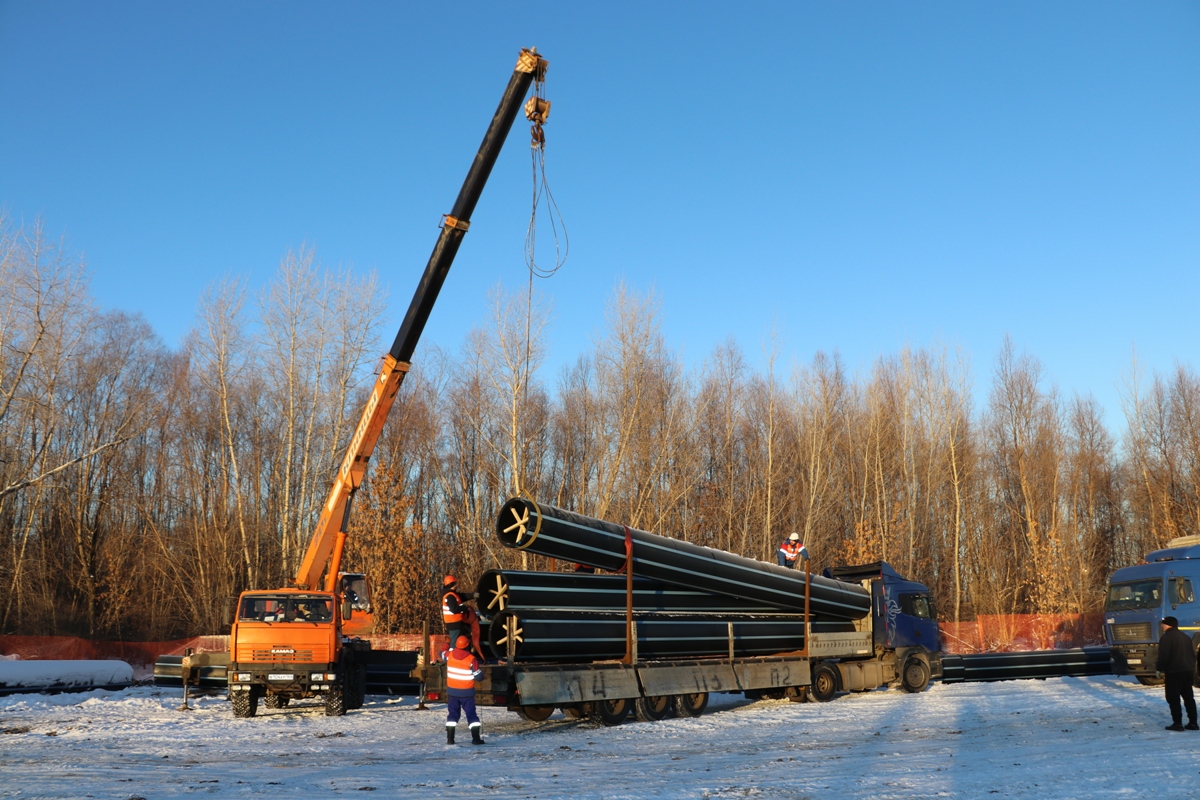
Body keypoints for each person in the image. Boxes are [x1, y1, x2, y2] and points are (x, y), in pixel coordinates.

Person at [1156, 616, 1198, 731]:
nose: (1161, 626)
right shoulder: (1186, 637)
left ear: (1168, 624)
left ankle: (1177, 723)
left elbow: (1163, 656)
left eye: (1163, 624)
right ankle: (1193, 722)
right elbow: (1192, 655)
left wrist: (1159, 669)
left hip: (1173, 672)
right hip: (1187, 671)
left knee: (1173, 699)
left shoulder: (1166, 638)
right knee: (1189, 698)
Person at [444, 635, 485, 745]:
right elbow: (478, 677)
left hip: (452, 692)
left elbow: (441, 653)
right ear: (468, 646)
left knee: (452, 715)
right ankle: (476, 739)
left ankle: (450, 739)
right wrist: (482, 675)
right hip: (467, 693)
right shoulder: (471, 659)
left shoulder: (450, 655)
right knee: (471, 715)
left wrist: (447, 643)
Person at [442, 575, 466, 650]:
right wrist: (464, 608)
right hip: (454, 623)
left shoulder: (451, 595)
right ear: (451, 585)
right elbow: (454, 609)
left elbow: (463, 596)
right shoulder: (450, 596)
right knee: (454, 643)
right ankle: (451, 658)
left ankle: (452, 658)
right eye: (455, 583)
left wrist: (473, 595)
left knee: (455, 641)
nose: (456, 585)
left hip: (453, 623)